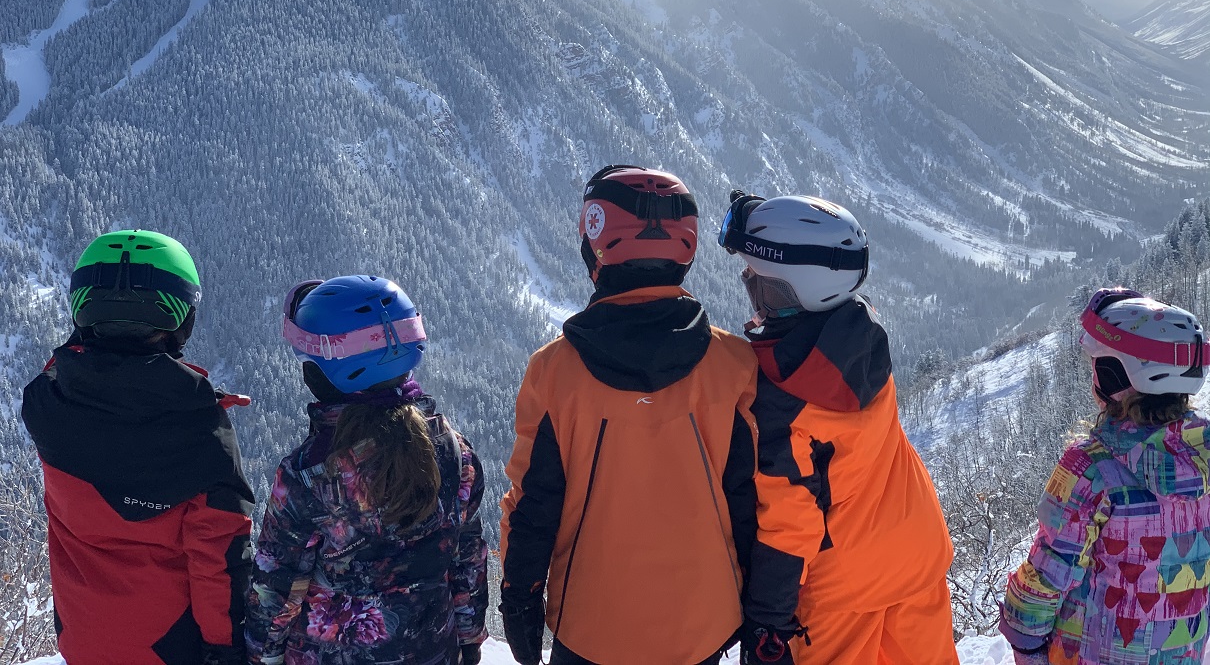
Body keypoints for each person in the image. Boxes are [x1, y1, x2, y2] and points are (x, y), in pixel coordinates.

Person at [499, 164, 758, 665]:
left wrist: (520, 599)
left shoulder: (555, 372)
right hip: (702, 624)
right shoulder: (734, 365)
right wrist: (761, 607)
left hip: (591, 627)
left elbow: (533, 505)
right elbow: (751, 499)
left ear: (595, 250)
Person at [716, 192, 958, 665]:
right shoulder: (858, 341)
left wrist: (767, 621)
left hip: (845, 591)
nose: (749, 288)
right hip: (917, 554)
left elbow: (788, 528)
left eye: (759, 283)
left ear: (795, 290)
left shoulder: (785, 401)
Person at [21, 229, 254, 665]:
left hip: (81, 636)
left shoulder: (47, 404)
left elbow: (67, 371)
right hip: (170, 649)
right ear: (182, 320)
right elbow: (218, 566)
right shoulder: (202, 434)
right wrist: (227, 651)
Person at [245, 274, 488, 665]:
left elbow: (277, 587)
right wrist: (469, 639)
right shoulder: (454, 452)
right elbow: (468, 560)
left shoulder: (309, 476)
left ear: (326, 373)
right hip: (431, 651)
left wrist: (261, 656)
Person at [1000, 288, 1209, 665]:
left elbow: (1048, 573)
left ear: (1114, 374)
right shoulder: (1205, 460)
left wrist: (1023, 635)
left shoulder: (1091, 468)